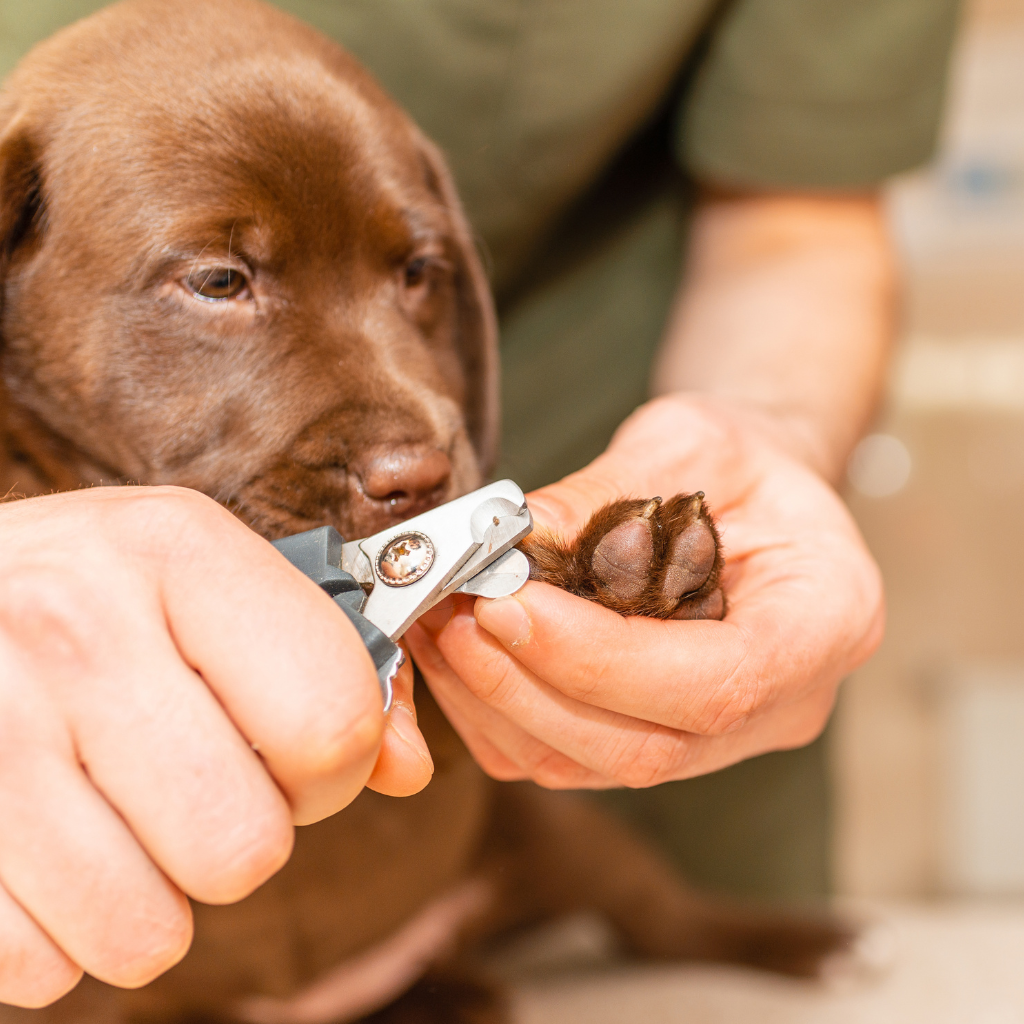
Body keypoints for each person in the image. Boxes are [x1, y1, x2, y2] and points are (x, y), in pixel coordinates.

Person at [0, 0, 960, 1008]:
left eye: (415, 273)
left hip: (500, 855)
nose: (406, 445)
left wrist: (762, 442)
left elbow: (796, 226)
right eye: (219, 280)